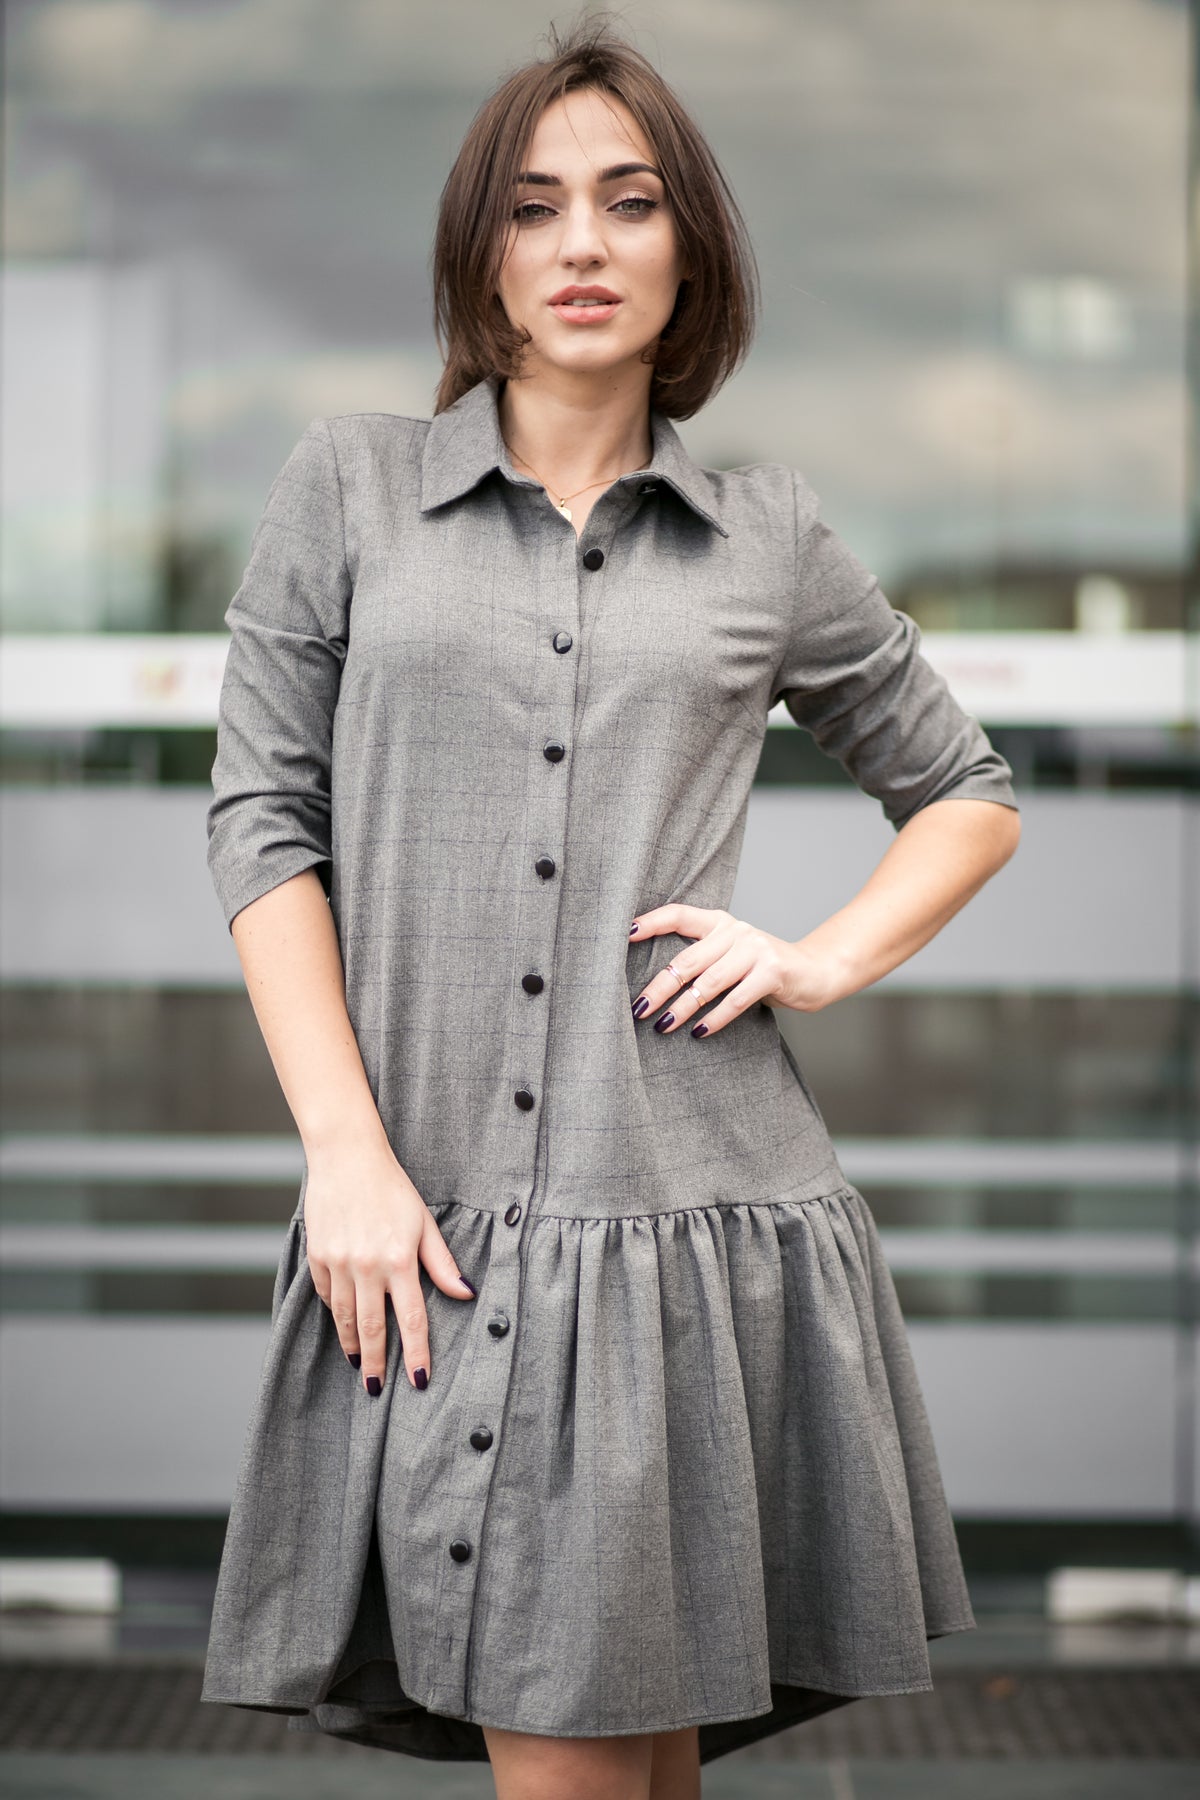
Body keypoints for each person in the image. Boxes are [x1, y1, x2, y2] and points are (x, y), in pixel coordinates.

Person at [199, 15, 1021, 1800]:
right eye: (535, 205)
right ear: (480, 253)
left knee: (624, 1768)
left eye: (630, 202)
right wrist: (345, 1155)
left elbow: (966, 791)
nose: (582, 242)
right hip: (432, 1223)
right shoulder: (347, 489)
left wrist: (814, 957)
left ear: (689, 250)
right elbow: (263, 822)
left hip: (688, 1222)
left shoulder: (766, 536)